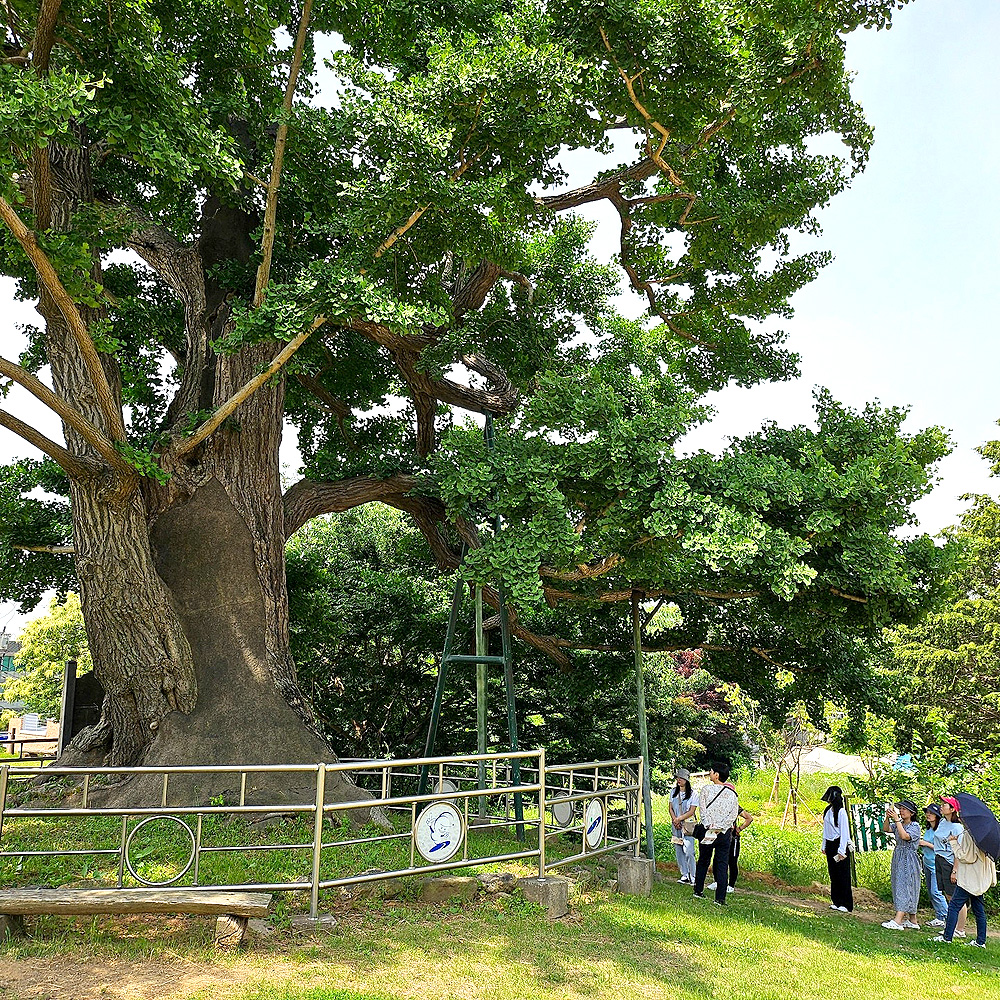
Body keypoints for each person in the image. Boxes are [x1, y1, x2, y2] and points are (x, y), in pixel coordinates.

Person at [931, 812, 997, 948]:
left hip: (969, 878)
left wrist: (953, 842)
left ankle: (947, 937)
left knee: (954, 905)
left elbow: (967, 857)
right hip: (979, 878)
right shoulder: (984, 836)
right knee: (979, 910)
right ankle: (980, 942)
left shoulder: (970, 835)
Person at [691, 762, 739, 906]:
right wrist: (722, 827)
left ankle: (698, 890)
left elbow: (703, 810)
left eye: (711, 771)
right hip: (724, 834)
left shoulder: (706, 790)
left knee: (704, 860)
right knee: (722, 864)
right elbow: (733, 815)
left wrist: (709, 825)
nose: (710, 773)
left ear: (716, 775)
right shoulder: (732, 794)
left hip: (708, 831)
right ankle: (720, 898)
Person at [881, 799, 922, 930]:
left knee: (906, 885)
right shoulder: (900, 823)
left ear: (912, 813)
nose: (902, 811)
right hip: (899, 856)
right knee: (900, 884)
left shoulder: (914, 826)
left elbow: (905, 836)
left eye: (905, 809)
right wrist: (887, 818)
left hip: (909, 858)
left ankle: (898, 920)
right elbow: (886, 829)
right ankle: (913, 920)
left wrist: (897, 820)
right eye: (901, 809)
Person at [933, 796, 968, 938]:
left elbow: (958, 851)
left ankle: (960, 929)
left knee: (955, 896)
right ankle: (951, 926)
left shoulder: (957, 827)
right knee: (948, 895)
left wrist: (955, 870)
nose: (941, 807)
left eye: (944, 805)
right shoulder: (941, 822)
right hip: (939, 859)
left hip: (950, 862)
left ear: (952, 809)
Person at [821, 785, 853, 913]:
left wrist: (841, 850)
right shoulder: (828, 810)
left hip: (840, 843)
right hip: (830, 844)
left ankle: (846, 903)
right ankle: (836, 900)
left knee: (843, 874)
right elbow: (825, 830)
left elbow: (844, 832)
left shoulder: (841, 812)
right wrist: (824, 845)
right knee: (833, 874)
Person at [918, 804, 949, 927]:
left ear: (937, 815)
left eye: (931, 813)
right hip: (927, 863)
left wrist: (926, 843)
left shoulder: (941, 829)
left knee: (936, 892)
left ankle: (948, 917)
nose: (928, 815)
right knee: (931, 893)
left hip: (937, 865)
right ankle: (939, 916)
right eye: (927, 812)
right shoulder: (928, 829)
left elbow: (943, 848)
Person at [668, 768, 698, 885]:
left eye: (681, 778)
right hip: (676, 825)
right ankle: (684, 874)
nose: (678, 780)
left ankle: (693, 875)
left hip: (687, 826)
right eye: (677, 778)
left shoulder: (693, 794)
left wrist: (679, 819)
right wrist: (674, 819)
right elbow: (670, 807)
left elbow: (692, 811)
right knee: (678, 849)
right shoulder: (673, 792)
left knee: (689, 851)